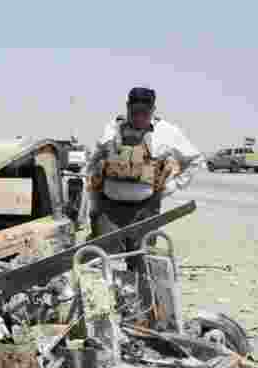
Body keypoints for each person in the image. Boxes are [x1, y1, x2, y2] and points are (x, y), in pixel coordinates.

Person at [85, 87, 204, 264]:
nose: (139, 117)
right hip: (108, 210)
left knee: (141, 262)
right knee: (103, 262)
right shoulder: (111, 129)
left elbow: (195, 159)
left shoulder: (167, 132)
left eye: (145, 113)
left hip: (145, 211)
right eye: (135, 112)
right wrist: (93, 201)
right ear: (127, 107)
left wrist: (172, 186)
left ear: (153, 110)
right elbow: (93, 164)